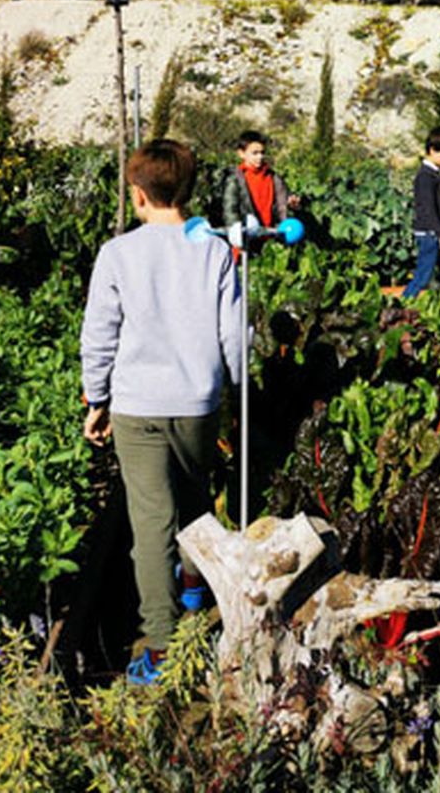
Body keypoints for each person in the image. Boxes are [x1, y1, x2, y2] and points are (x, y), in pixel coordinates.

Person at [80, 139, 245, 686]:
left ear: (138, 194)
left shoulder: (118, 253)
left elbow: (99, 334)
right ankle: (195, 589)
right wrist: (237, 394)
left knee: (152, 523)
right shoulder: (214, 250)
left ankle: (159, 645)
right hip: (197, 401)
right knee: (195, 500)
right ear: (187, 191)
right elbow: (232, 334)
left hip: (137, 404)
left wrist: (96, 398)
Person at [403, 128, 440, 299]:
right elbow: (428, 209)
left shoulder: (436, 173)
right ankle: (403, 305)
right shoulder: (425, 177)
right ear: (433, 150)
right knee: (423, 275)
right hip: (430, 233)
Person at [218, 130, 295, 235]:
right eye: (255, 153)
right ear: (241, 153)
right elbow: (230, 210)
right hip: (246, 237)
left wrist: (291, 204)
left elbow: (282, 206)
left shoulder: (274, 177)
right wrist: (237, 234)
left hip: (271, 235)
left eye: (262, 152)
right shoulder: (235, 179)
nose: (260, 157)